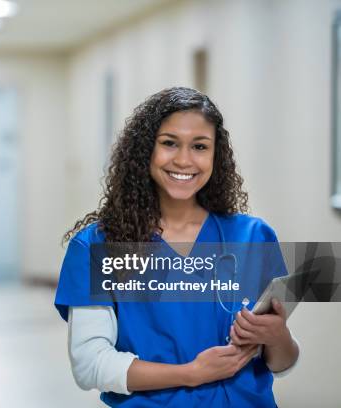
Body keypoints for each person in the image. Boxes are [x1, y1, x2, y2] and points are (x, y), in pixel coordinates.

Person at [54, 87, 299, 407]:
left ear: (215, 155)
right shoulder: (96, 246)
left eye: (199, 146)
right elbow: (89, 364)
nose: (184, 160)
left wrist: (276, 336)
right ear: (146, 151)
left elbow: (280, 364)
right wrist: (190, 373)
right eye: (169, 143)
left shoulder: (253, 236)